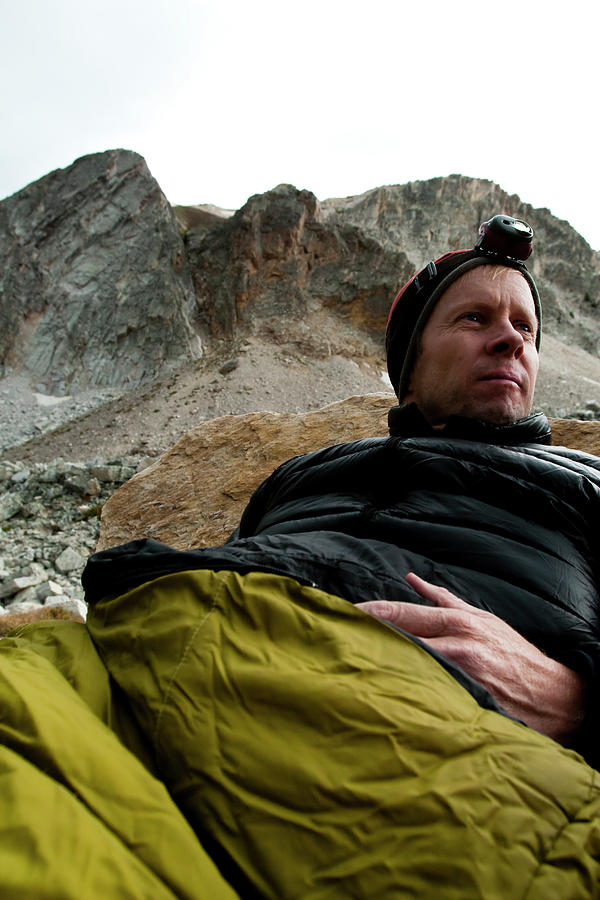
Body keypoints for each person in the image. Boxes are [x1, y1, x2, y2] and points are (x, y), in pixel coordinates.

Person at [83, 213, 600, 769]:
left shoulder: (586, 483)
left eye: (525, 328)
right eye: (475, 318)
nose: (509, 340)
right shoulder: (300, 473)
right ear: (411, 364)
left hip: (429, 733)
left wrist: (572, 700)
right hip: (181, 660)